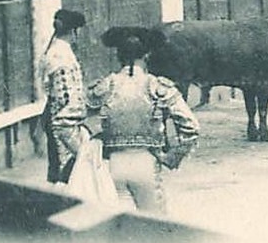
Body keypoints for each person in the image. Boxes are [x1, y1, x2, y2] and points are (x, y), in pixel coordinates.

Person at [84, 26, 200, 213]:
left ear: (118, 57)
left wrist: (87, 151)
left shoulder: (105, 86)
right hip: (147, 163)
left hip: (112, 164)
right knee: (154, 229)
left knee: (118, 229)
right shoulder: (158, 87)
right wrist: (171, 158)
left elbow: (72, 120)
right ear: (146, 56)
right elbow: (192, 127)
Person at [37, 9, 88, 184]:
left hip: (55, 114)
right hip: (62, 117)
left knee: (60, 167)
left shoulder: (55, 49)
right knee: (65, 168)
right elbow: (64, 96)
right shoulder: (62, 54)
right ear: (74, 31)